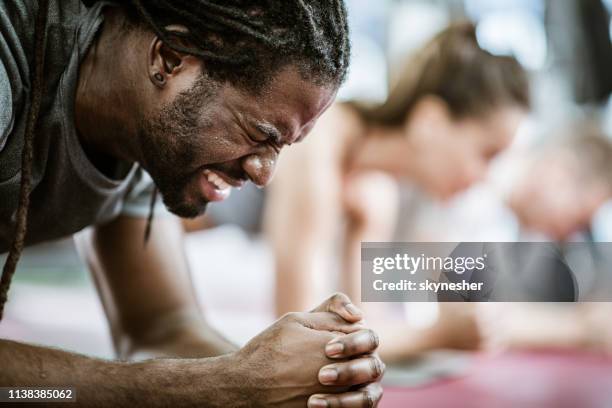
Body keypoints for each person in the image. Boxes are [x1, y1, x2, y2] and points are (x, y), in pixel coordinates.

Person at [0, 1, 385, 406]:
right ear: (169, 57)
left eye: (283, 147)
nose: (265, 174)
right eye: (259, 133)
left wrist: (289, 378)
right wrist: (228, 385)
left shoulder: (149, 130)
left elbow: (159, 330)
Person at [265, 23, 530, 361]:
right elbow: (300, 342)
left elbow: (361, 335)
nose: (485, 178)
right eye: (487, 154)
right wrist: (439, 334)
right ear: (430, 121)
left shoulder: (377, 190)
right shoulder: (320, 143)